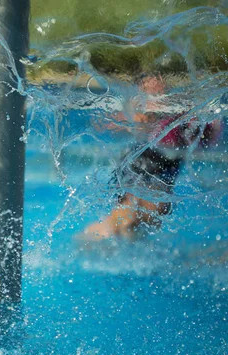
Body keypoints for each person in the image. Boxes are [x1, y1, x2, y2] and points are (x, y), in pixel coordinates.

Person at [84, 74, 222, 239]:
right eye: (150, 86)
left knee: (140, 220)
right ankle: (91, 239)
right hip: (144, 159)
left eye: (158, 85)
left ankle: (96, 239)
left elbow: (209, 134)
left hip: (157, 161)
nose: (157, 88)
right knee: (132, 218)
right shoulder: (148, 110)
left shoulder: (178, 106)